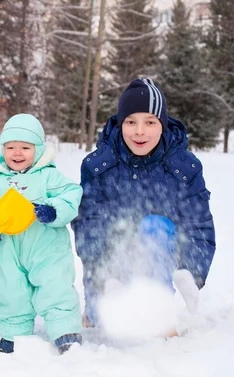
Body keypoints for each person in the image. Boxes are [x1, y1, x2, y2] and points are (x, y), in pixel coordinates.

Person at [72, 78, 216, 327]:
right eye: (131, 122)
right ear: (120, 123)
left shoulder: (184, 168)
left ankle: (157, 316)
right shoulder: (98, 165)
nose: (140, 131)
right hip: (108, 267)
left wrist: (192, 272)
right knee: (103, 321)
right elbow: (88, 224)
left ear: (163, 125)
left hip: (157, 259)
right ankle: (106, 305)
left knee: (156, 226)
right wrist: (106, 273)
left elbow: (198, 224)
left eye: (150, 122)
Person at [0, 114, 83, 354]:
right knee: (9, 287)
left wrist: (53, 211)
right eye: (11, 147)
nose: (17, 153)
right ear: (3, 149)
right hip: (6, 248)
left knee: (55, 284)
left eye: (25, 147)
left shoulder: (48, 176)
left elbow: (71, 194)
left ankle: (64, 329)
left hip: (46, 245)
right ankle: (14, 331)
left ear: (39, 150)